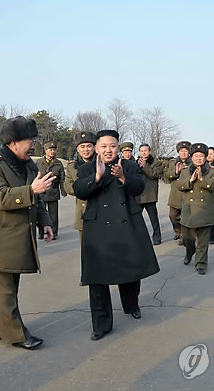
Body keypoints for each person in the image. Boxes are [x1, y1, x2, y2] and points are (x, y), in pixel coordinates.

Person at [0, 116, 55, 350]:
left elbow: (36, 200)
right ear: (13, 143)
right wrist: (30, 190)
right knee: (5, 290)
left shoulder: (28, 165)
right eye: (30, 140)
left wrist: (44, 222)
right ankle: (17, 335)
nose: (34, 145)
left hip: (13, 240)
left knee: (7, 288)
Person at [73, 129, 159, 341]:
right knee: (97, 278)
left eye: (112, 146)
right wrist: (96, 177)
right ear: (97, 149)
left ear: (118, 148)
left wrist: (122, 176)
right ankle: (101, 325)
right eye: (103, 146)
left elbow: (139, 188)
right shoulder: (86, 168)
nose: (108, 150)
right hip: (97, 228)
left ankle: (132, 305)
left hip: (126, 224)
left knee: (129, 271)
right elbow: (79, 190)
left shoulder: (129, 166)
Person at [173, 143, 214, 274]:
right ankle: (189, 252)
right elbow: (179, 185)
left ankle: (201, 264)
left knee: (203, 242)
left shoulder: (212, 171)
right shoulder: (185, 171)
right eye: (196, 156)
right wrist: (191, 180)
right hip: (189, 211)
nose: (198, 158)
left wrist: (202, 179)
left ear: (205, 157)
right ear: (191, 157)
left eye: (201, 156)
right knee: (188, 239)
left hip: (205, 211)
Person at [64, 131, 97, 243]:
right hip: (83, 210)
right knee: (86, 249)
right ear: (77, 148)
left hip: (102, 210)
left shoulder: (102, 163)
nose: (86, 149)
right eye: (82, 147)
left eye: (89, 146)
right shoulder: (71, 167)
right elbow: (67, 186)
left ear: (94, 147)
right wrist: (84, 189)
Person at [36, 141, 66, 240]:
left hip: (53, 191)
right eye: (51, 149)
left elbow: (62, 178)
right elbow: (34, 176)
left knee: (53, 215)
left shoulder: (58, 163)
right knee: (41, 213)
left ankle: (54, 232)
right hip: (41, 192)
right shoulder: (39, 162)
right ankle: (41, 232)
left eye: (54, 150)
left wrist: (63, 190)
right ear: (46, 151)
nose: (53, 151)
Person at [164, 141, 191, 243]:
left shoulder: (192, 163)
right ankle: (178, 231)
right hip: (175, 195)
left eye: (185, 151)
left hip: (187, 194)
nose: (183, 153)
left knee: (186, 217)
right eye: (181, 151)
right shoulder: (173, 163)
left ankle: (183, 236)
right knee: (173, 216)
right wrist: (176, 172)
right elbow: (167, 175)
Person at [136, 144, 163, 245]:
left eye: (145, 151)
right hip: (138, 195)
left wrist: (144, 166)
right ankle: (138, 237)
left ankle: (157, 237)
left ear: (150, 151)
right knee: (137, 219)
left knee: (154, 219)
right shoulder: (136, 162)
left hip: (150, 194)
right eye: (141, 151)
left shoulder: (156, 162)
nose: (143, 153)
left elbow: (154, 175)